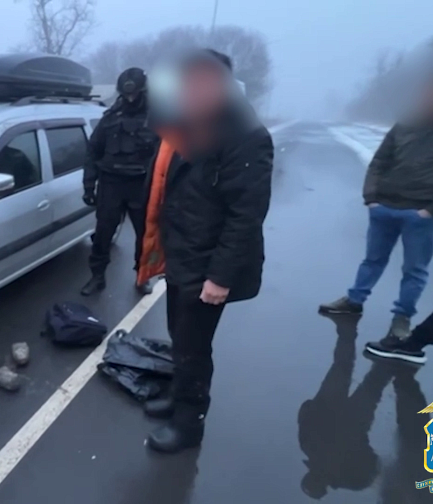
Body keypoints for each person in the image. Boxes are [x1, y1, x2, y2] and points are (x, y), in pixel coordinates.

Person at [137, 49, 274, 453]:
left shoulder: (247, 136)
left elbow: (246, 216)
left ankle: (189, 424)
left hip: (209, 265)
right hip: (181, 255)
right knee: (178, 338)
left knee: (194, 349)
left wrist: (220, 278)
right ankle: (177, 397)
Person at [319, 67, 433, 340]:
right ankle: (354, 301)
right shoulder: (405, 125)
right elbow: (379, 161)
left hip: (420, 214)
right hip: (384, 207)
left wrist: (429, 211)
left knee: (414, 271)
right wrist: (372, 198)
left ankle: (401, 319)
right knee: (372, 260)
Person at [81, 68, 159, 296]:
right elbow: (93, 152)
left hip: (142, 186)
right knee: (102, 235)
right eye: (126, 95)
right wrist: (89, 186)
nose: (130, 98)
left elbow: (169, 156)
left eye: (134, 94)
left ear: (143, 91)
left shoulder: (158, 118)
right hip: (111, 184)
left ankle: (142, 277)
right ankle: (97, 277)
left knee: (145, 236)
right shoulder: (110, 118)